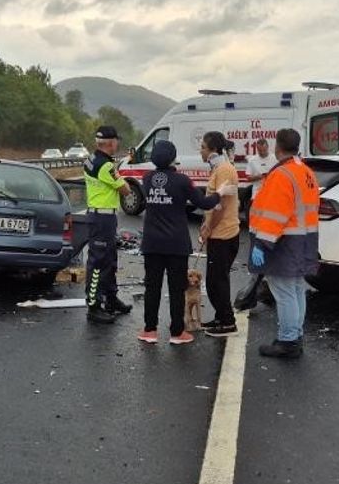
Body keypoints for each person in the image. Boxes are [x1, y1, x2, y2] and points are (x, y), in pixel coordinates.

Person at [138, 140, 232, 345]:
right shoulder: (182, 181)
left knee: (152, 288)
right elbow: (204, 203)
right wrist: (220, 192)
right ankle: (177, 332)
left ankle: (149, 330)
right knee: (176, 289)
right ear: (173, 158)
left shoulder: (146, 178)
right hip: (176, 244)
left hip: (152, 243)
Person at [248, 128, 321, 359]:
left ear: (277, 146)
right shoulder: (306, 171)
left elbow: (275, 214)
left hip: (285, 242)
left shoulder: (282, 174)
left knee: (284, 292)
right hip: (303, 239)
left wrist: (262, 243)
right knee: (297, 289)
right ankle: (295, 335)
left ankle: (288, 341)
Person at [83, 126, 133, 324]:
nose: (117, 144)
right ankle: (94, 305)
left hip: (99, 216)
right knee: (98, 262)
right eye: (116, 141)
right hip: (102, 218)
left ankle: (111, 298)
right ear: (111, 143)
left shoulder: (91, 159)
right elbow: (126, 190)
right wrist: (120, 177)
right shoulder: (106, 166)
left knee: (110, 259)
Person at [197, 131, 242, 338]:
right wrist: (205, 224)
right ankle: (220, 317)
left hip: (223, 235)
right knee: (215, 279)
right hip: (219, 233)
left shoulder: (224, 170)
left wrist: (208, 228)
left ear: (213, 149)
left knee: (217, 281)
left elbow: (220, 206)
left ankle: (227, 322)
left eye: (203, 147)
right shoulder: (219, 168)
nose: (201, 151)